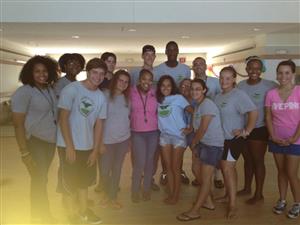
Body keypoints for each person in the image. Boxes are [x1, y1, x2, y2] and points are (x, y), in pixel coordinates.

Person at [56, 58, 107, 224]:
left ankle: (84, 211)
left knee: (84, 182)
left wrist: (94, 150)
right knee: (69, 183)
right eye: (94, 73)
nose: (98, 77)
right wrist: (70, 147)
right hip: (67, 145)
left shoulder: (100, 97)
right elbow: (63, 119)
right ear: (88, 72)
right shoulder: (72, 90)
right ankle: (72, 214)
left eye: (101, 74)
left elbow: (99, 124)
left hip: (87, 145)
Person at [11, 55, 59, 223]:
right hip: (35, 141)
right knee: (39, 178)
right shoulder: (24, 92)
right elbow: (18, 125)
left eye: (45, 71)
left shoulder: (48, 89)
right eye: (37, 71)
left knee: (42, 178)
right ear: (30, 73)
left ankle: (37, 215)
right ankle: (42, 216)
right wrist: (24, 152)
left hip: (50, 142)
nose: (42, 74)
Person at [177, 79, 224, 221]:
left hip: (212, 144)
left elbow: (203, 128)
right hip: (204, 143)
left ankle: (195, 210)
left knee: (205, 177)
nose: (194, 91)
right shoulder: (198, 104)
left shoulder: (207, 105)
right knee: (196, 170)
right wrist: (190, 129)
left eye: (198, 89)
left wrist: (194, 144)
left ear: (204, 90)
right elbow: (195, 124)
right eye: (192, 89)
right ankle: (208, 202)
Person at [214, 66, 258, 219]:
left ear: (233, 80)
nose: (224, 81)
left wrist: (246, 131)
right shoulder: (218, 96)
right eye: (221, 77)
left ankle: (232, 204)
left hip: (234, 140)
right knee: (227, 168)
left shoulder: (238, 94)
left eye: (227, 78)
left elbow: (253, 111)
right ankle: (227, 195)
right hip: (221, 139)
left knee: (227, 168)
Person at [237, 57, 277, 204]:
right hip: (243, 129)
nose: (254, 71)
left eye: (257, 68)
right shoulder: (240, 86)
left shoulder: (270, 85)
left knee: (258, 161)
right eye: (251, 68)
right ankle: (247, 188)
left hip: (259, 129)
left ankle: (258, 193)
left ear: (262, 70)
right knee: (247, 160)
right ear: (246, 70)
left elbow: (279, 100)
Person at [265, 60, 300, 219]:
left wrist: (294, 137)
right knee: (281, 172)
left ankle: (297, 203)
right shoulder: (271, 94)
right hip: (276, 139)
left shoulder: (299, 91)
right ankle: (283, 199)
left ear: (293, 74)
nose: (283, 76)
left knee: (291, 173)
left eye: (287, 73)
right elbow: (268, 117)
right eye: (280, 73)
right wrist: (273, 136)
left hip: (296, 140)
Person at [156, 41, 191, 185]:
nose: (171, 52)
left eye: (174, 49)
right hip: (166, 123)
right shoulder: (158, 69)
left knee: (177, 157)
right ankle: (165, 173)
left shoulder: (185, 69)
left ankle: (179, 172)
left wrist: (190, 125)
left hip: (179, 111)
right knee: (166, 158)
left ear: (177, 51)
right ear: (165, 51)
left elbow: (187, 87)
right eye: (169, 50)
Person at [54, 53, 85, 197]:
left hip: (76, 132)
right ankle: (67, 198)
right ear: (64, 66)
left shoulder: (77, 84)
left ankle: (74, 196)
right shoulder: (60, 84)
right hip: (64, 132)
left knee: (73, 165)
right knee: (66, 164)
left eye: (78, 63)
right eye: (71, 63)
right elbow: (62, 112)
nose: (75, 66)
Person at [99, 70, 131, 209]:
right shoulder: (104, 95)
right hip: (106, 141)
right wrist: (99, 142)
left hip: (123, 140)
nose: (123, 84)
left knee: (117, 170)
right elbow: (98, 120)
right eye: (120, 80)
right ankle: (106, 194)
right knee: (105, 171)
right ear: (115, 80)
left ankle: (112, 197)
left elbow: (128, 119)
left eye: (126, 81)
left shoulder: (127, 99)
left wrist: (129, 141)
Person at [156, 75, 190, 204]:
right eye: (163, 85)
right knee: (168, 168)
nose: (166, 88)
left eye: (168, 85)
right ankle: (171, 193)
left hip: (178, 137)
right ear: (159, 87)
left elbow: (193, 111)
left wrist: (190, 127)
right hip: (164, 136)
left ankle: (176, 196)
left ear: (172, 87)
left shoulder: (179, 98)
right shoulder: (158, 100)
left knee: (176, 168)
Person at [192, 56, 224, 188]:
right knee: (200, 161)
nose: (199, 66)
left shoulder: (215, 82)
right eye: (196, 64)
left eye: (201, 64)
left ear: (205, 66)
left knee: (211, 158)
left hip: (212, 123)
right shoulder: (192, 83)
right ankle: (203, 182)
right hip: (199, 123)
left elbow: (222, 97)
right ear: (193, 67)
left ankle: (216, 177)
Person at [130, 69, 159, 202]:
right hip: (137, 132)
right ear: (139, 80)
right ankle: (135, 190)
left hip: (153, 132)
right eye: (144, 79)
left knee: (149, 162)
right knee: (139, 162)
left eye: (149, 80)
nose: (146, 82)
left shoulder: (155, 93)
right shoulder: (131, 92)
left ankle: (146, 189)